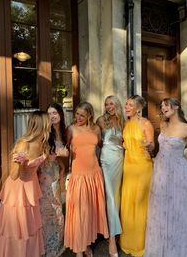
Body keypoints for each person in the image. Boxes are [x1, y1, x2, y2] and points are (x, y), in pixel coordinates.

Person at [144, 98, 187, 257]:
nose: (163, 108)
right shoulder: (163, 125)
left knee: (178, 211)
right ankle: (161, 249)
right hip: (160, 172)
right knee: (160, 211)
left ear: (176, 107)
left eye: (166, 105)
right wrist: (148, 148)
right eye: (161, 106)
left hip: (179, 174)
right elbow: (159, 149)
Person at [0, 111, 51, 257]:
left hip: (31, 187)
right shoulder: (23, 144)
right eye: (48, 120)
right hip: (17, 191)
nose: (50, 123)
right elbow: (13, 176)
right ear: (42, 124)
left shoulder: (43, 142)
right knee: (16, 229)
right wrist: (19, 161)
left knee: (29, 228)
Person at [64, 101, 109, 257]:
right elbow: (65, 151)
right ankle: (79, 248)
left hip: (94, 173)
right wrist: (66, 172)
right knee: (79, 212)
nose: (78, 117)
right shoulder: (71, 129)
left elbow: (102, 146)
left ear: (90, 115)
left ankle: (87, 243)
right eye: (76, 114)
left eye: (82, 115)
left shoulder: (96, 129)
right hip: (79, 175)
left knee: (90, 211)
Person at [119, 95, 154, 257]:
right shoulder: (126, 123)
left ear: (138, 108)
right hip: (128, 167)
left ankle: (140, 244)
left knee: (140, 204)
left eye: (130, 105)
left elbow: (152, 146)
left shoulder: (145, 123)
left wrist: (149, 145)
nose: (126, 107)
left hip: (142, 167)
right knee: (128, 203)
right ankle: (128, 242)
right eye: (126, 104)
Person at [38, 103, 68, 257]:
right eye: (49, 113)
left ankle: (55, 244)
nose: (52, 116)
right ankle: (43, 247)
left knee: (57, 208)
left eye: (55, 112)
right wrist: (58, 153)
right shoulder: (45, 132)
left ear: (60, 114)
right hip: (44, 174)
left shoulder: (64, 132)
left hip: (56, 173)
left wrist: (63, 170)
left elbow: (65, 156)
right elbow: (42, 154)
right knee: (46, 209)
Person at [96, 95, 125, 257]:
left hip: (120, 161)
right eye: (106, 104)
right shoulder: (101, 121)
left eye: (111, 104)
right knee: (110, 198)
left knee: (116, 196)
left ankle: (113, 229)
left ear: (117, 105)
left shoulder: (123, 121)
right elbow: (95, 141)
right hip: (106, 160)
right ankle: (112, 239)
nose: (109, 107)